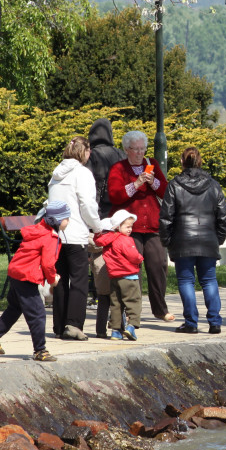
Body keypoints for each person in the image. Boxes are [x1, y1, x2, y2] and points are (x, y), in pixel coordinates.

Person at [0, 200, 71, 362]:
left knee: (15, 308)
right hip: (26, 277)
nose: (69, 221)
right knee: (38, 314)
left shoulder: (38, 230)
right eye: (67, 218)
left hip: (16, 272)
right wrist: (53, 280)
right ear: (58, 220)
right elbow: (48, 263)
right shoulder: (50, 237)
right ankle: (40, 351)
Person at [160, 147, 226, 334]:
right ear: (200, 161)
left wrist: (167, 241)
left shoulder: (174, 185)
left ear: (182, 162)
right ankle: (215, 321)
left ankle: (191, 322)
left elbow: (166, 217)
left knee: (186, 281)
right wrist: (217, 239)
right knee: (209, 280)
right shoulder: (213, 185)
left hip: (183, 240)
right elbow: (224, 218)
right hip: (208, 239)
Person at [107, 130, 175, 322]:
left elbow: (165, 191)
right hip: (129, 229)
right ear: (126, 150)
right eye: (135, 149)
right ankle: (131, 312)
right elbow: (114, 195)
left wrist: (153, 181)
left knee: (159, 265)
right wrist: (136, 184)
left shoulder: (151, 164)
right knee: (131, 270)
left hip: (152, 225)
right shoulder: (118, 168)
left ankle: (160, 309)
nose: (139, 153)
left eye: (142, 148)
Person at [48, 136, 101, 341]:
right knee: (78, 280)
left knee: (59, 279)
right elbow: (87, 205)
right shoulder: (82, 173)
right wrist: (96, 227)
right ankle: (74, 325)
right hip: (75, 232)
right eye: (89, 152)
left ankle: (59, 325)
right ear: (84, 152)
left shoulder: (56, 174)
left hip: (56, 234)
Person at [85, 118, 127, 338]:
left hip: (98, 215)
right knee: (118, 261)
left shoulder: (91, 156)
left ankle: (96, 292)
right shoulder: (119, 154)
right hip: (117, 215)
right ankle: (119, 320)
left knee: (97, 260)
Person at [94, 210, 143, 341]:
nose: (130, 229)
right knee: (134, 302)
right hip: (129, 276)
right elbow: (133, 256)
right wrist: (140, 258)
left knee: (116, 304)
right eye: (127, 226)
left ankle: (116, 331)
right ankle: (131, 326)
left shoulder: (108, 241)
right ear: (118, 226)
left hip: (114, 277)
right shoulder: (126, 240)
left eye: (131, 226)